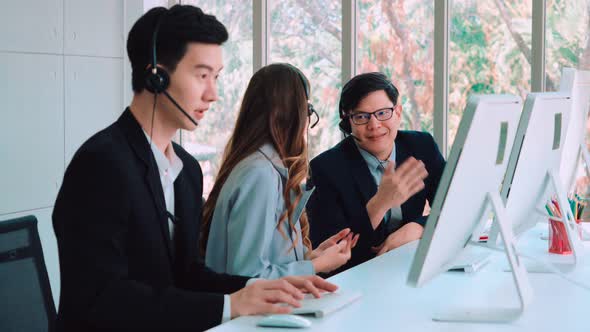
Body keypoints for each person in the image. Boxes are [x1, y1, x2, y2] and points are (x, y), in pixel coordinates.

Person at [52, 6, 336, 332]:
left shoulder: (186, 171)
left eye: (216, 77)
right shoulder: (102, 165)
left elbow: (187, 276)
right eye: (202, 75)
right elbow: (103, 298)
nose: (213, 94)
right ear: (155, 76)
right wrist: (231, 303)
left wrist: (252, 289)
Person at [202, 63, 359, 279]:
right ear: (292, 114)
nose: (307, 119)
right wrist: (316, 266)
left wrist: (311, 258)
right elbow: (247, 276)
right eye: (308, 110)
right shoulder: (260, 174)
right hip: (256, 312)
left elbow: (267, 262)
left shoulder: (265, 167)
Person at [307, 72, 445, 273]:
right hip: (358, 275)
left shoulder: (421, 146)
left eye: (382, 113)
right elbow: (331, 256)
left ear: (397, 112)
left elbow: (454, 207)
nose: (374, 125)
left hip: (411, 264)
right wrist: (379, 205)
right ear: (348, 122)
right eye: (361, 117)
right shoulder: (325, 169)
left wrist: (417, 228)